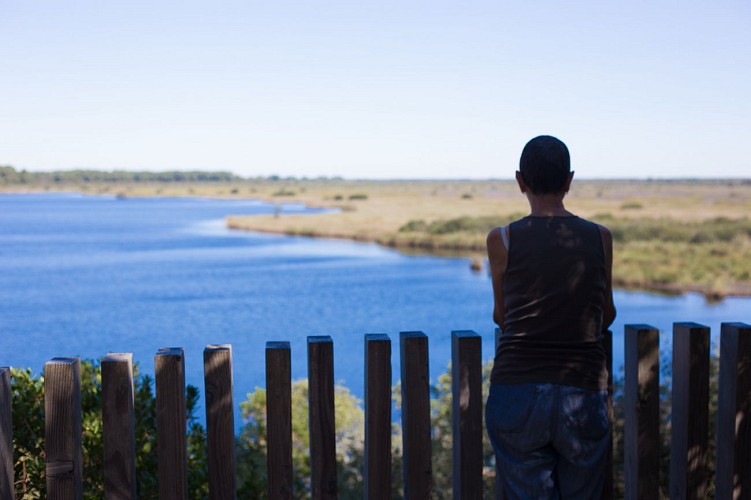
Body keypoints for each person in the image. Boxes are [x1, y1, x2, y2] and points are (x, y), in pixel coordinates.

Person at [485, 135, 616, 499]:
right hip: (583, 391)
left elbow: (502, 316)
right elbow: (607, 313)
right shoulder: (600, 237)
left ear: (520, 181)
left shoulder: (503, 239)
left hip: (517, 389)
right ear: (569, 181)